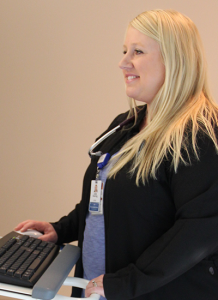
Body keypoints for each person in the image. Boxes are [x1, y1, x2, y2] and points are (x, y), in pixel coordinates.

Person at [15, 9, 218, 300]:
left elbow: (199, 230)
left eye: (137, 51)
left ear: (175, 60)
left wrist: (126, 283)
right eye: (125, 51)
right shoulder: (128, 124)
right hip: (104, 289)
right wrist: (60, 230)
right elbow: (104, 199)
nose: (123, 63)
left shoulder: (200, 132)